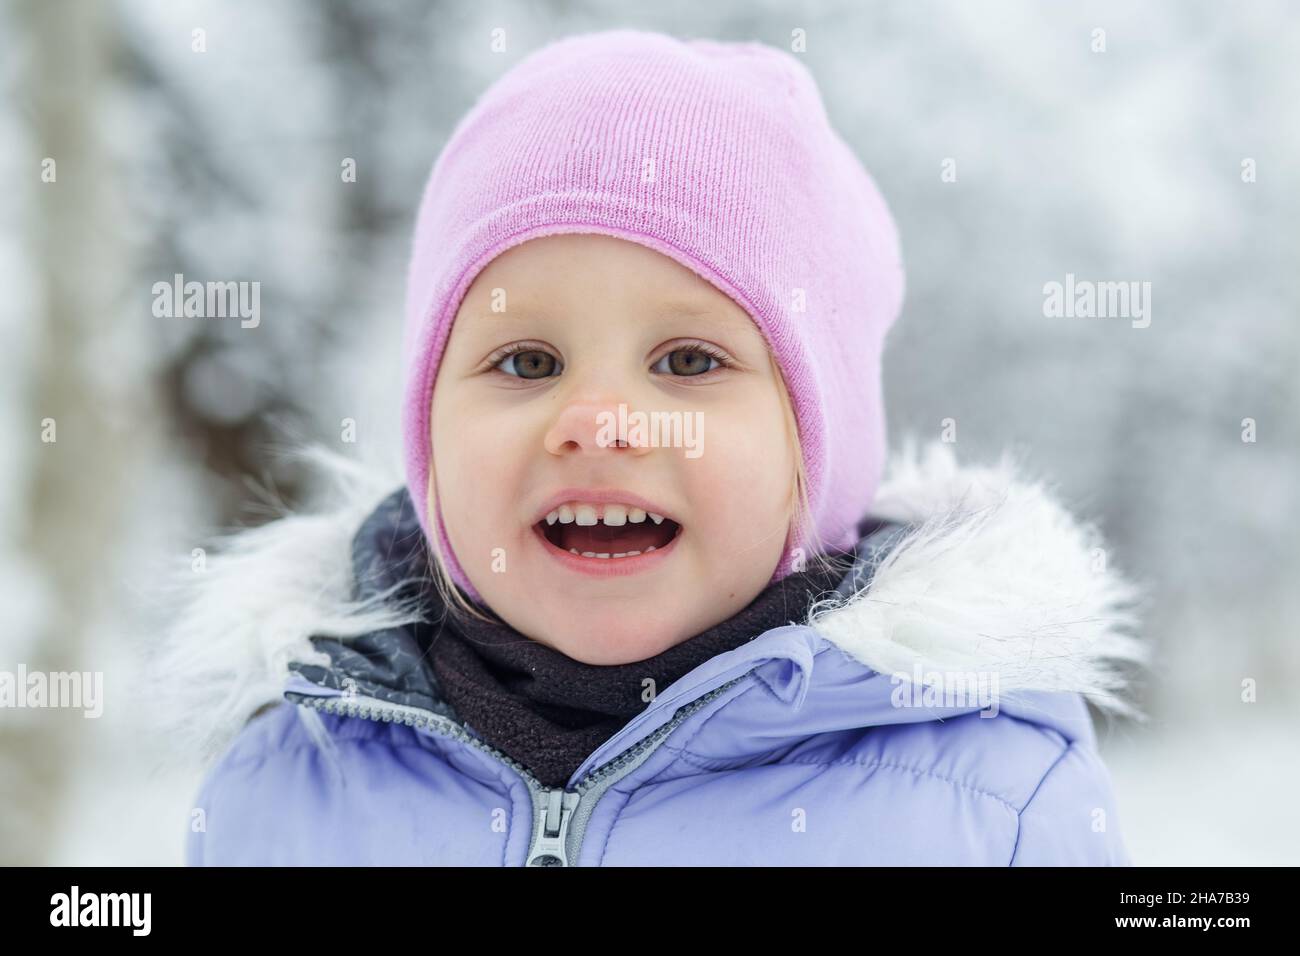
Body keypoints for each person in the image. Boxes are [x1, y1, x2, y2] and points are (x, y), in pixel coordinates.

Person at [167, 29, 1147, 866]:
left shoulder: (989, 803)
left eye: (685, 358)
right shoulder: (279, 792)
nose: (596, 419)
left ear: (822, 443)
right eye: (524, 361)